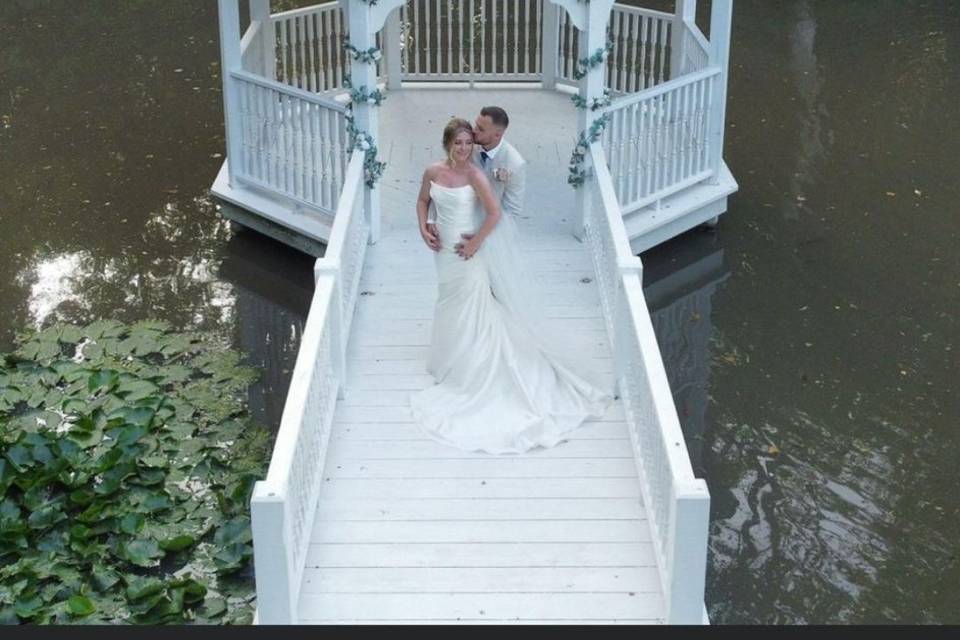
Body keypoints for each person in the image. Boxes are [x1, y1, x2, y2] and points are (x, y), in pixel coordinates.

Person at [409, 116, 613, 455]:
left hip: (465, 250)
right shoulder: (433, 172)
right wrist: (423, 226)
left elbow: (494, 214)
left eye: (467, 143)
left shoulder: (474, 175)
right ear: (447, 144)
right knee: (447, 299)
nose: (463, 148)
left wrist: (475, 243)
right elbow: (422, 201)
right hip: (442, 250)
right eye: (457, 143)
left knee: (474, 303)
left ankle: (473, 362)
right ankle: (448, 357)